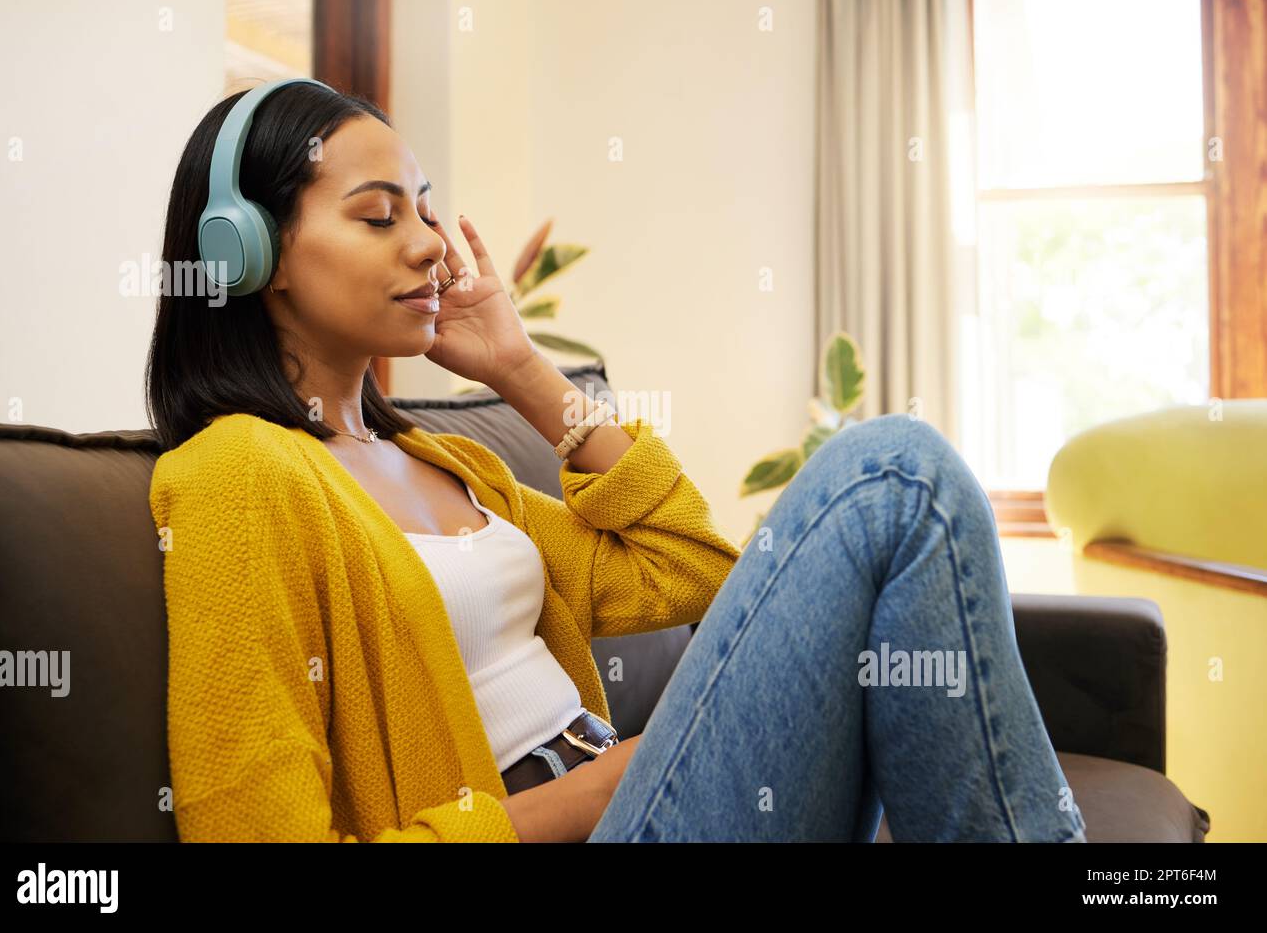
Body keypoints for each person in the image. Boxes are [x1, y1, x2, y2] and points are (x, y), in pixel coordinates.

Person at [147, 82, 1085, 843]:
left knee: (900, 482)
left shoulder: (453, 465)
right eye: (379, 217)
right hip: (580, 820)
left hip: (627, 799)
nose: (431, 245)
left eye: (425, 213)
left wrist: (521, 369)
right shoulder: (240, 475)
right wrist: (573, 805)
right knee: (893, 477)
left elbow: (694, 569)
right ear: (250, 253)